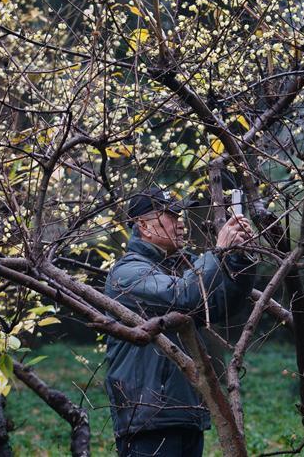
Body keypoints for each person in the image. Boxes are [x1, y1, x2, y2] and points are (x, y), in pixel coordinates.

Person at [104, 186, 255, 457]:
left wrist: (239, 257)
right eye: (170, 215)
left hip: (185, 412)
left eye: (179, 214)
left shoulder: (181, 267)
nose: (180, 221)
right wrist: (219, 251)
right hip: (148, 418)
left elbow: (220, 305)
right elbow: (183, 295)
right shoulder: (127, 274)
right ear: (143, 225)